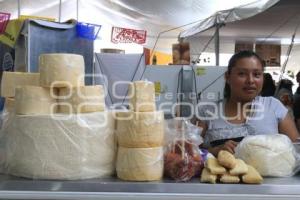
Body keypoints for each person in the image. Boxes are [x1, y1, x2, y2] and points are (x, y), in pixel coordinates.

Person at [195, 50, 299, 156]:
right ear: (227, 77)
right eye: (242, 74)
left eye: (257, 75)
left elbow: (296, 149)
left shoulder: (273, 106)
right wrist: (215, 151)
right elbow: (189, 154)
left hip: (270, 172)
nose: (250, 80)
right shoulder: (207, 112)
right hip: (220, 172)